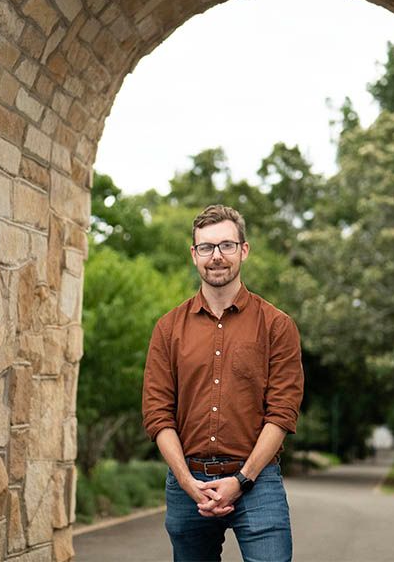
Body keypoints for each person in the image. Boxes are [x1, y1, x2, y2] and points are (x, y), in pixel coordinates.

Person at [142, 204, 304, 562]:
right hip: (189, 485)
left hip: (257, 481)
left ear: (243, 250)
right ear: (194, 254)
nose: (217, 257)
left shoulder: (277, 326)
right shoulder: (168, 329)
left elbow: (281, 414)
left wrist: (241, 481)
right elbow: (157, 415)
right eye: (206, 247)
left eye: (226, 246)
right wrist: (187, 483)